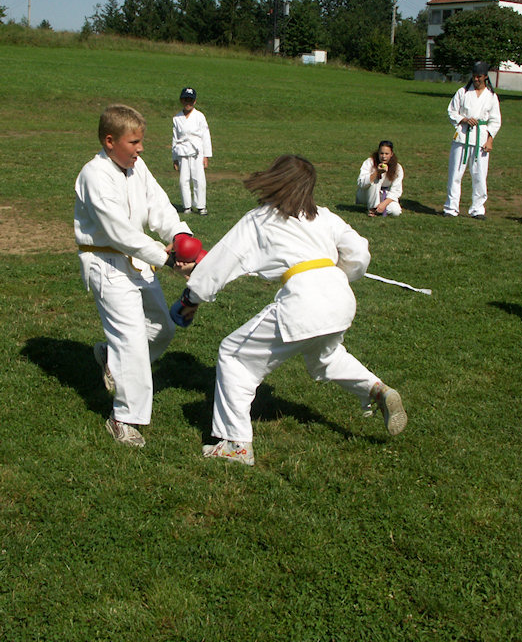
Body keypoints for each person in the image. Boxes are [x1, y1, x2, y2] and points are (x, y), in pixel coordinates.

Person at [178, 154, 407, 466]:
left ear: (276, 180)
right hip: (340, 295)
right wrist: (338, 276)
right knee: (326, 357)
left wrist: (191, 298)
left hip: (304, 300)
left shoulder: (260, 219)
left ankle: (236, 444)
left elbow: (222, 262)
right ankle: (376, 389)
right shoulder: (325, 216)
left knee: (234, 357)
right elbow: (360, 253)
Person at [74, 104, 192, 447]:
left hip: (137, 261)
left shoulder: (136, 167)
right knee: (131, 341)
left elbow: (159, 205)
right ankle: (123, 417)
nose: (140, 149)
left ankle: (111, 360)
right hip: (106, 263)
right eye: (134, 142)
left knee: (162, 328)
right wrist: (166, 258)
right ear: (110, 141)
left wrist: (179, 236)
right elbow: (119, 232)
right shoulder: (94, 175)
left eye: (141, 141)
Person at [443, 61, 501, 219]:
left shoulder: (491, 96)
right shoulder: (462, 92)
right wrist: (464, 119)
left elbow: (495, 120)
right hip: (462, 136)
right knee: (455, 174)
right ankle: (451, 208)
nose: (476, 79)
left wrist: (490, 140)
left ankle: (478, 209)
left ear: (485, 77)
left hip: (481, 139)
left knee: (479, 176)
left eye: (479, 76)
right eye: (474, 76)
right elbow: (451, 111)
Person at [172, 87, 212, 215]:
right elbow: (175, 138)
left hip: (197, 151)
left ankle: (201, 206)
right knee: (183, 180)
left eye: (190, 100)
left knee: (198, 179)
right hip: (182, 151)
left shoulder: (199, 116)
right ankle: (187, 206)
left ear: (194, 101)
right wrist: (174, 158)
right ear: (181, 101)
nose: (188, 103)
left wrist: (206, 156)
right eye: (185, 100)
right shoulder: (177, 118)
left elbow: (206, 136)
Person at [356, 140, 404, 217]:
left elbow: (396, 190)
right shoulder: (369, 162)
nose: (384, 156)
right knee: (376, 181)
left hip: (384, 194)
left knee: (395, 212)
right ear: (378, 153)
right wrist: (377, 173)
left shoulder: (397, 168)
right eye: (381, 153)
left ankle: (379, 208)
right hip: (366, 193)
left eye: (387, 154)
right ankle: (373, 209)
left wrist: (384, 204)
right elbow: (361, 183)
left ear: (391, 154)